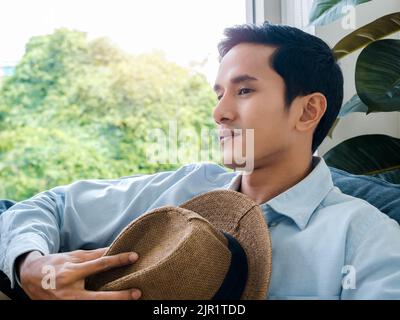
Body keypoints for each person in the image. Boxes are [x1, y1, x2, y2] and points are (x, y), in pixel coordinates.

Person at [1, 22, 399, 300]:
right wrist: (30, 267)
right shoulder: (180, 189)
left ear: (308, 111)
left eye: (244, 91)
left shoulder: (366, 239)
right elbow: (47, 207)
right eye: (218, 93)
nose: (219, 113)